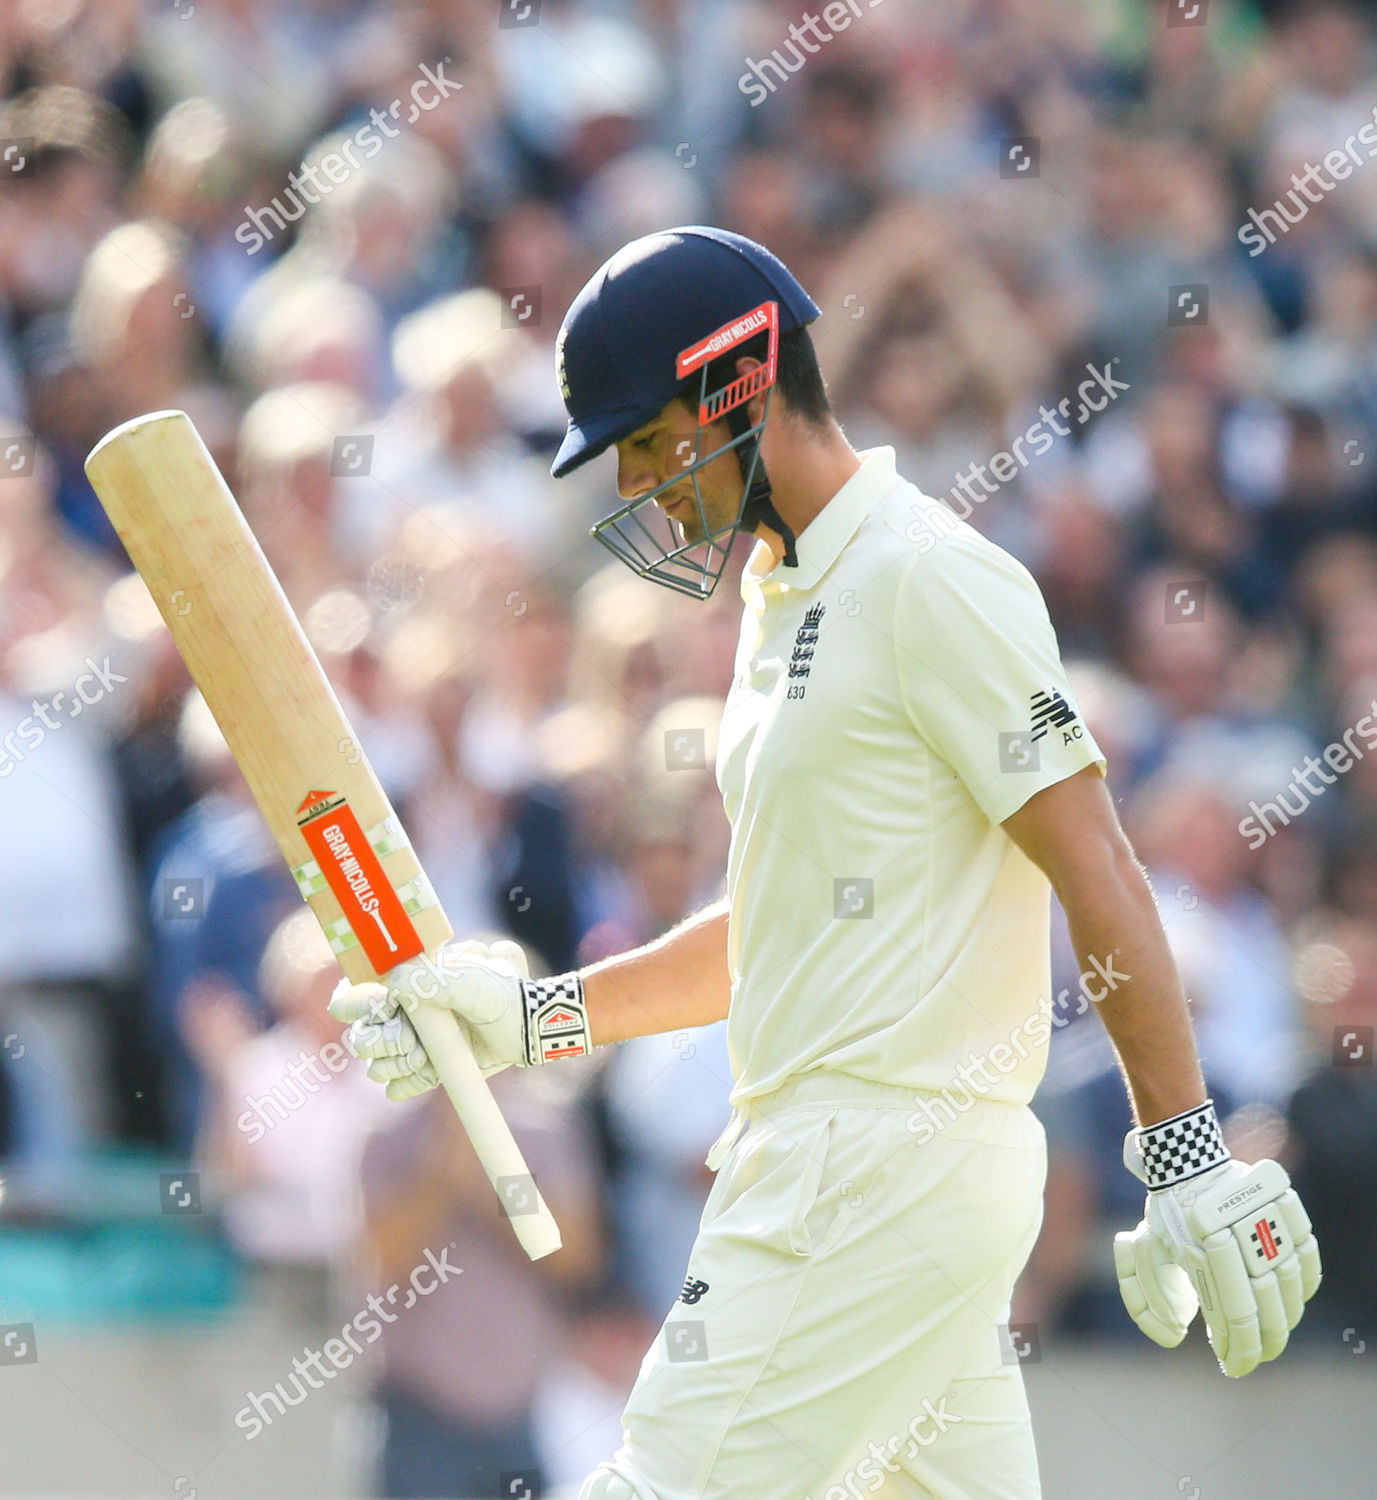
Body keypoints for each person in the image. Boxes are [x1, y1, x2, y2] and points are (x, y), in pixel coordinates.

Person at [332, 228, 1322, 1500]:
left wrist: (1185, 1147)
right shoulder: (781, 604)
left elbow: (1098, 867)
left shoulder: (928, 576)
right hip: (880, 1179)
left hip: (860, 1173)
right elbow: (775, 933)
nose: (638, 482)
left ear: (739, 379)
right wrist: (536, 1019)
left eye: (647, 439)